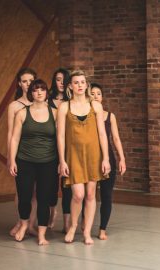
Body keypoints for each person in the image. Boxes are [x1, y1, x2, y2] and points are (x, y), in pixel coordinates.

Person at [57, 70, 110, 245]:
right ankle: (73, 226)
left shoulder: (95, 105)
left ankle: (86, 232)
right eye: (76, 82)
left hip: (94, 155)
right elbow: (61, 136)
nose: (80, 85)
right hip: (74, 156)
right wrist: (62, 160)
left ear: (86, 85)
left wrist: (106, 159)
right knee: (78, 195)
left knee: (90, 194)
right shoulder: (65, 107)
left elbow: (102, 134)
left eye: (82, 82)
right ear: (70, 86)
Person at [8, 79, 58, 245]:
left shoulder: (55, 113)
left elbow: (61, 139)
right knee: (25, 197)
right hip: (25, 161)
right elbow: (15, 139)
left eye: (42, 89)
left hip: (48, 162)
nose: (39, 92)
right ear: (31, 93)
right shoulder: (22, 113)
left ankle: (41, 234)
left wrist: (62, 161)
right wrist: (12, 160)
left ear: (46, 92)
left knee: (44, 198)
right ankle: (24, 225)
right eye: (36, 90)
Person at [90, 83, 126, 240]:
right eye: (92, 93)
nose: (96, 96)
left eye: (98, 93)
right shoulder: (86, 115)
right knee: (88, 195)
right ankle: (85, 226)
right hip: (90, 157)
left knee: (106, 195)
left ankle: (102, 229)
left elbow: (116, 139)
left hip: (107, 158)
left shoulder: (110, 116)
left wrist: (122, 159)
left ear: (102, 96)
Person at [7, 68, 38, 237]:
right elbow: (11, 134)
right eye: (24, 81)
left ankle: (30, 224)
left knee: (35, 192)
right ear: (19, 83)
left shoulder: (41, 103)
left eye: (30, 81)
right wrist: (11, 158)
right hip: (21, 154)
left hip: (38, 154)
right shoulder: (15, 106)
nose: (28, 84)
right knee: (22, 191)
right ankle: (21, 222)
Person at [47, 68, 72, 232]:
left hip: (68, 147)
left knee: (66, 185)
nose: (61, 83)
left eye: (64, 79)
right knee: (50, 184)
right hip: (49, 147)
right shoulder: (47, 100)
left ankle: (67, 222)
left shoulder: (72, 101)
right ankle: (52, 212)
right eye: (58, 79)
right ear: (54, 81)